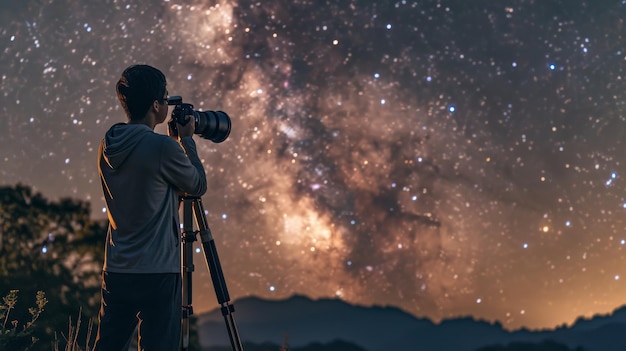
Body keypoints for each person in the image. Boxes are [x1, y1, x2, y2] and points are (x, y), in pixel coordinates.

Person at [93, 64, 207, 351]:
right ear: (156, 105)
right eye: (166, 98)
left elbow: (149, 182)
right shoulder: (163, 149)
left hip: (117, 267)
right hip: (158, 271)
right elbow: (196, 185)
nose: (168, 103)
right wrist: (187, 141)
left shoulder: (108, 144)